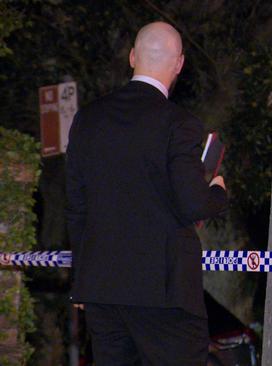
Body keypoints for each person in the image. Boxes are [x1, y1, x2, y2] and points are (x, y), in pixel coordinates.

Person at [65, 21, 228, 365]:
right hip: (164, 291)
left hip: (102, 290)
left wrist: (81, 281)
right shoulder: (178, 123)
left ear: (133, 57)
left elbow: (77, 207)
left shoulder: (87, 120)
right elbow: (192, 204)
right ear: (179, 64)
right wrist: (217, 191)